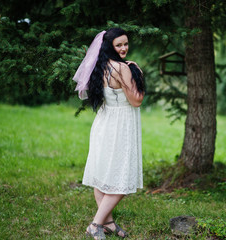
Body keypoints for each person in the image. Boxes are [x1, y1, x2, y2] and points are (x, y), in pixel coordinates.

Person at [73, 28, 145, 239]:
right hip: (120, 126)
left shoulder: (101, 66)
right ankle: (96, 224)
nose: (123, 48)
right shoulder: (123, 68)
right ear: (110, 47)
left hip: (104, 122)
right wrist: (137, 71)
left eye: (125, 44)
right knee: (121, 178)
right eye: (119, 45)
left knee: (102, 175)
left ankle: (110, 223)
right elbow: (137, 100)